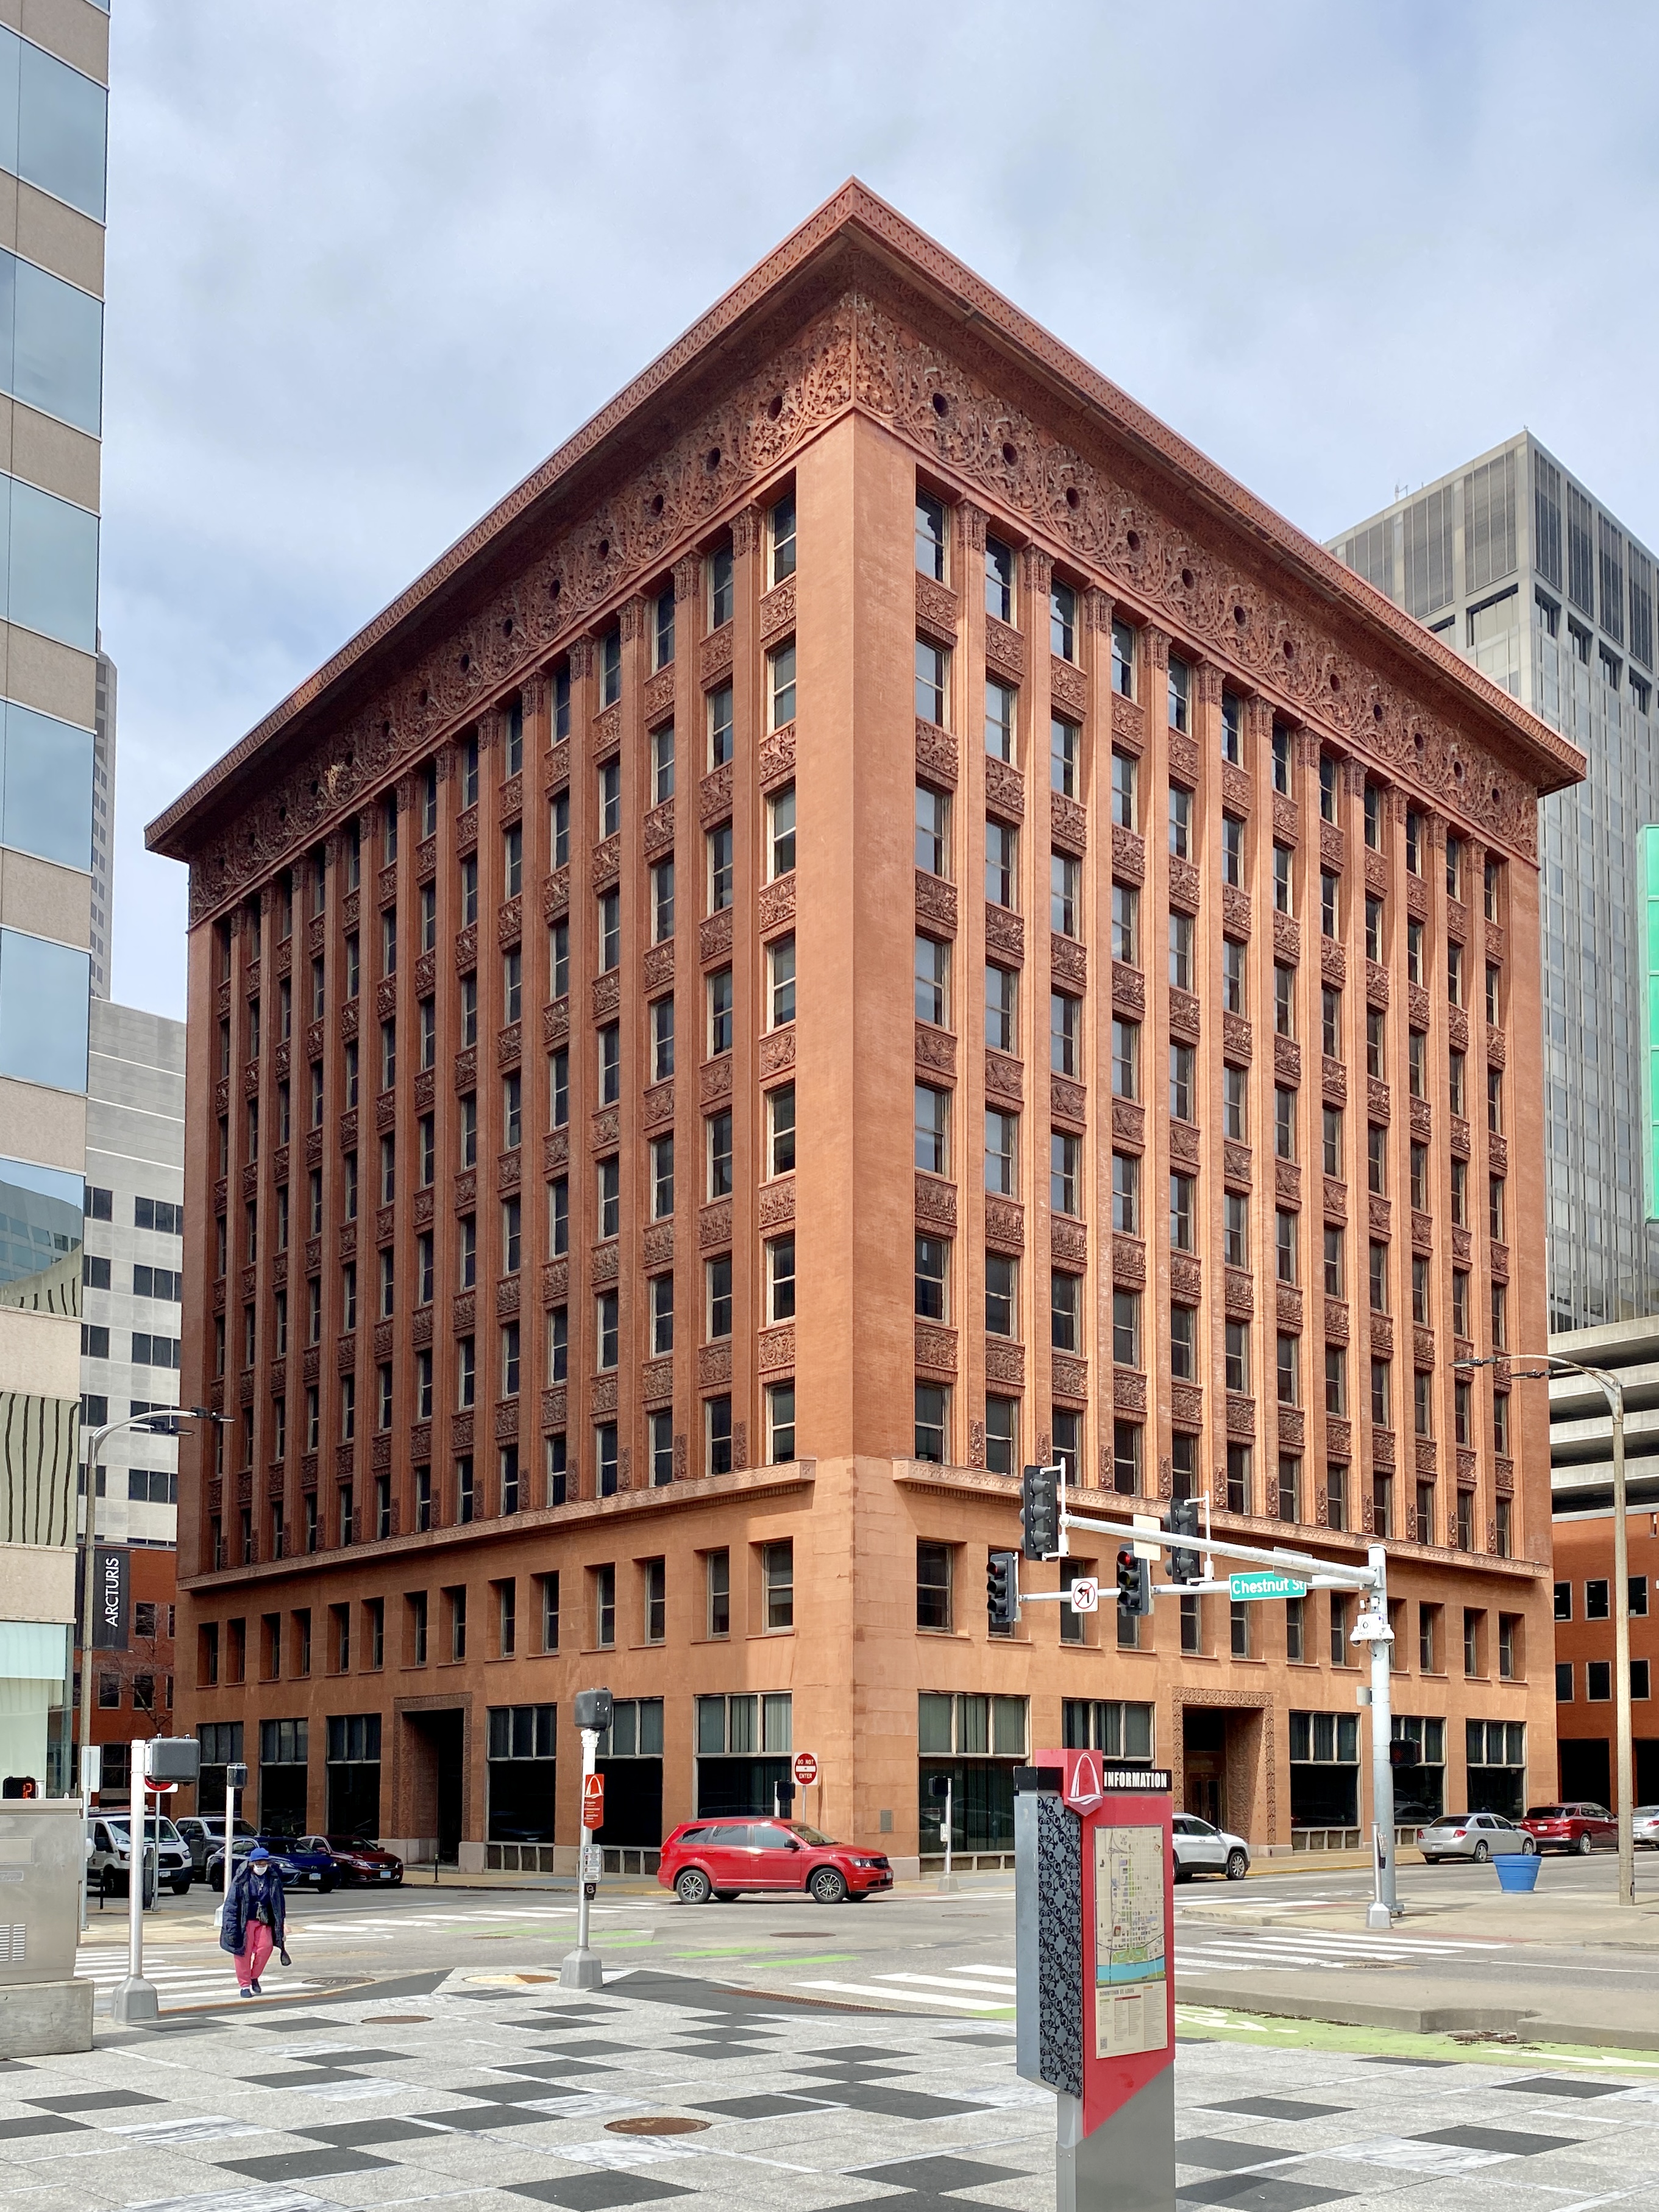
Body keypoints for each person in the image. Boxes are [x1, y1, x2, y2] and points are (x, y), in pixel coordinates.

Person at [219, 1842, 288, 1997]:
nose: (261, 1866)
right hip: (245, 1921)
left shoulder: (274, 1879)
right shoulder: (241, 1879)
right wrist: (230, 1927)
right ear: (252, 1864)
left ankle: (254, 1977)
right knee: (243, 1952)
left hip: (264, 1921)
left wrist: (282, 1923)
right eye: (258, 1863)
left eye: (264, 1863)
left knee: (266, 1948)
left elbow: (279, 1904)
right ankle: (244, 1985)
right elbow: (231, 1904)